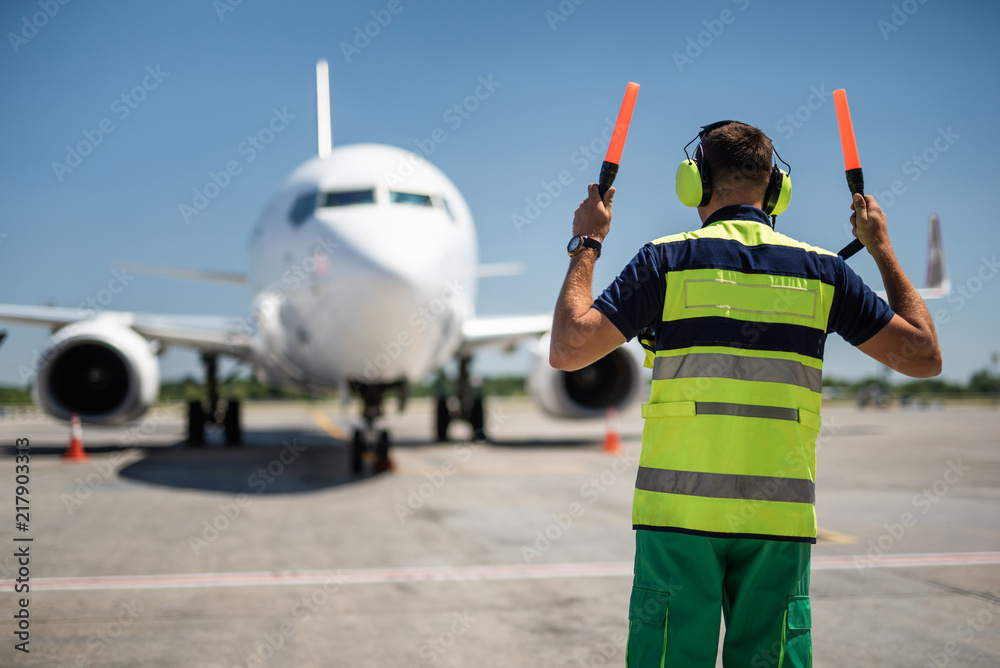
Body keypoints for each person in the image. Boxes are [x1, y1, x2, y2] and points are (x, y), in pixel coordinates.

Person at [549, 121, 941, 667]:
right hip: (777, 522)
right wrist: (880, 249)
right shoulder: (824, 272)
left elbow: (568, 348)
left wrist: (587, 242)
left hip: (677, 518)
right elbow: (924, 355)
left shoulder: (665, 261)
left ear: (696, 184)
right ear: (776, 188)